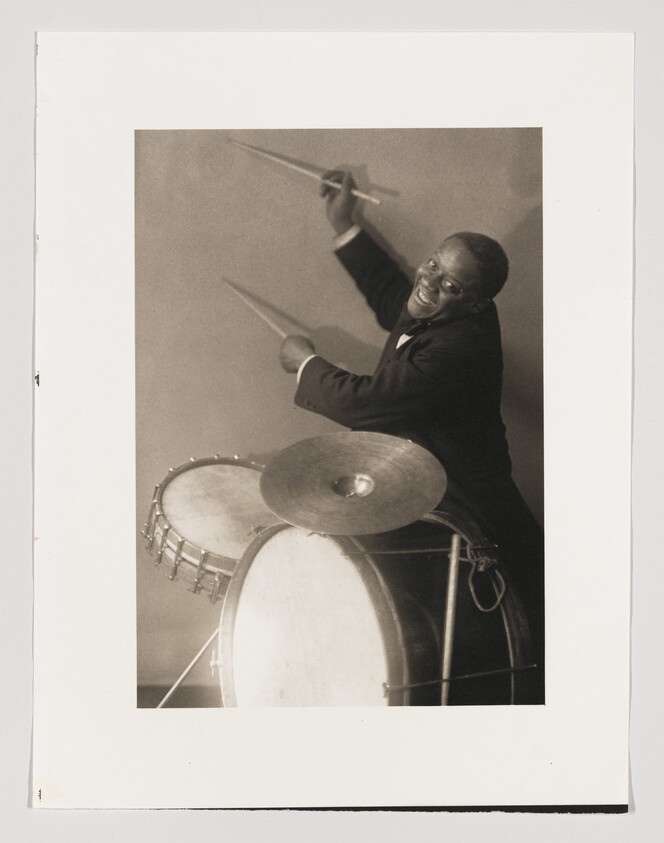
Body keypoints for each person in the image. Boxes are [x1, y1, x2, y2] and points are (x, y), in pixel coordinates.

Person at [279, 171, 544, 701]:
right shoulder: (444, 302)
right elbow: (396, 302)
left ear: (473, 304)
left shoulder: (458, 346)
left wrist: (306, 364)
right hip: (433, 481)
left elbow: (369, 404)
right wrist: (345, 225)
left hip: (469, 504)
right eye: (432, 264)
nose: (430, 282)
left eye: (449, 284)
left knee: (492, 656)